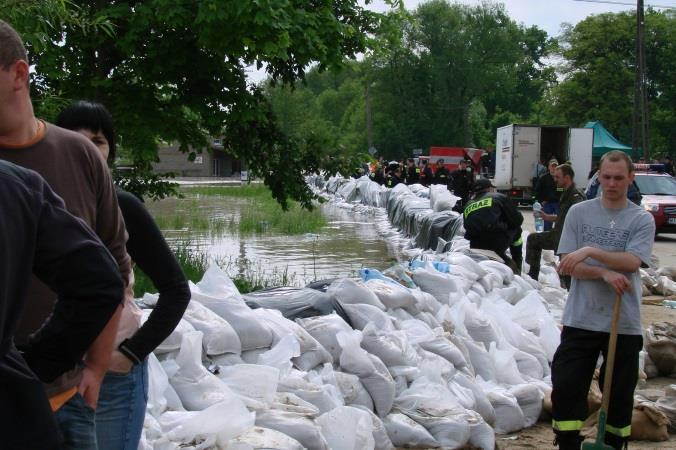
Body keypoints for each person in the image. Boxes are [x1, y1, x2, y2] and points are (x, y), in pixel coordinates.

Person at [0, 20, 131, 449]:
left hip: (64, 391)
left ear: (19, 74)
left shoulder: (75, 155)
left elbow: (111, 266)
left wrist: (94, 367)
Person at [57, 101, 191, 450]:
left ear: (109, 152)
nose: (86, 148)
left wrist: (130, 354)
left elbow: (176, 290)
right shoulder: (37, 204)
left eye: (98, 141)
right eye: (75, 138)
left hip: (114, 377)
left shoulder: (123, 208)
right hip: (49, 373)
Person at [0, 160, 124, 450]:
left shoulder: (69, 161)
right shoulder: (16, 185)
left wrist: (42, 364)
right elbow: (99, 282)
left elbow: (106, 278)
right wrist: (38, 365)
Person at [551, 151, 655, 450]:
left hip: (623, 321)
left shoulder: (641, 218)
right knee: (567, 384)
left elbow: (633, 262)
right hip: (581, 317)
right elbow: (567, 264)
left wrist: (590, 251)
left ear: (630, 178)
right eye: (606, 177)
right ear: (599, 176)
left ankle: (612, 443)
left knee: (619, 393)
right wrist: (603, 273)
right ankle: (568, 441)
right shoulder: (579, 212)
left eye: (619, 178)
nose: (611, 184)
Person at [525, 164, 585, 284]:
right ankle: (533, 277)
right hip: (558, 234)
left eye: (558, 177)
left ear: (567, 178)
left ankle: (569, 287)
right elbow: (562, 217)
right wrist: (546, 217)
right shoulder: (566, 193)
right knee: (533, 239)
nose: (555, 180)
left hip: (567, 239)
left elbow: (580, 220)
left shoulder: (575, 197)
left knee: (567, 271)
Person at [463, 178, 524, 274]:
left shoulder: (468, 205)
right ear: (489, 189)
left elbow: (466, 228)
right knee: (517, 229)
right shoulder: (499, 197)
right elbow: (518, 220)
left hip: (475, 245)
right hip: (497, 243)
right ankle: (518, 267)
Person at [534, 159, 561, 231]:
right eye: (552, 166)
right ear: (549, 167)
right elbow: (537, 191)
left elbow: (563, 190)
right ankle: (547, 236)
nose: (554, 168)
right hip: (547, 204)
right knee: (547, 223)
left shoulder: (560, 178)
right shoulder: (543, 178)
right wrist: (541, 201)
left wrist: (561, 196)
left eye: (555, 166)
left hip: (558, 203)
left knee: (560, 221)